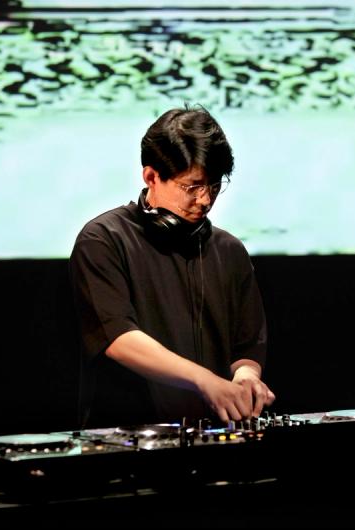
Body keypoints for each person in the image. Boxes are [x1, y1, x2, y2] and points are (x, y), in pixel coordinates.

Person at [69, 106, 275, 428]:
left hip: (214, 436)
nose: (205, 200)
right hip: (128, 439)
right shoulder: (104, 240)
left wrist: (246, 377)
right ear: (151, 176)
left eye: (214, 186)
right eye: (192, 187)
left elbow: (246, 345)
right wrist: (203, 380)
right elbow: (118, 337)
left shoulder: (230, 250)